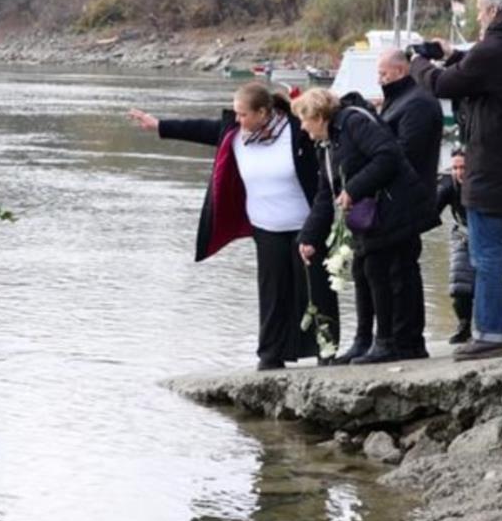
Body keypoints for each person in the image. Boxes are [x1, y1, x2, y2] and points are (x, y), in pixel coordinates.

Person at [127, 82, 337, 371]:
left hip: (306, 224)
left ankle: (327, 351)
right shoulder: (235, 134)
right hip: (265, 226)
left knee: (315, 290)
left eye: (242, 114)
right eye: (235, 114)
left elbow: (331, 134)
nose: (237, 120)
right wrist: (159, 125)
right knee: (273, 292)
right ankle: (270, 355)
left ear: (263, 112)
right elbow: (199, 129)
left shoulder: (296, 130)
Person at [411, 0, 502, 361]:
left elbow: (444, 85)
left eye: (482, 11)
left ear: (494, 11)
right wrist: (454, 53)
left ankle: (489, 333)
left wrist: (419, 63)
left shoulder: (493, 49)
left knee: (486, 256)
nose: (480, 20)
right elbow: (481, 77)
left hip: (491, 168)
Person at [294, 88, 427, 365]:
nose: (303, 129)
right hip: (369, 216)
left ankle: (389, 342)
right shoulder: (327, 144)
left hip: (393, 208)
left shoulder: (353, 122)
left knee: (381, 271)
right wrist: (309, 237)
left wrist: (353, 189)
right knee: (362, 269)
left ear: (317, 116)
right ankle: (364, 340)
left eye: (304, 122)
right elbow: (325, 193)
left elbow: (387, 156)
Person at [376, 48, 442, 358]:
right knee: (396, 270)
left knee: (402, 272)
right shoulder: (401, 101)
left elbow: (405, 153)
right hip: (397, 199)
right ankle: (401, 339)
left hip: (406, 200)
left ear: (400, 72)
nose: (380, 79)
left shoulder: (416, 104)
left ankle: (407, 341)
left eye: (383, 74)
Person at [437, 150, 475, 344]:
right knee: (459, 286)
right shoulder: (449, 186)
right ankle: (464, 326)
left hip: (486, 236)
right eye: (455, 168)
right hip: (462, 235)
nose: (459, 172)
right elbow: (432, 210)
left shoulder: (481, 184)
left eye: (463, 167)